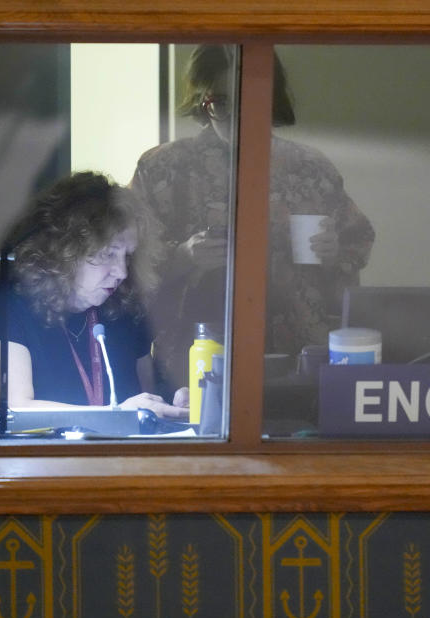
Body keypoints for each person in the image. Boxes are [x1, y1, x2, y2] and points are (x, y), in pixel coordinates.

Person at [129, 44, 375, 393]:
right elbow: (124, 264)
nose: (240, 115)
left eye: (252, 99)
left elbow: (356, 240)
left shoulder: (310, 169)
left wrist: (334, 251)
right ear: (203, 102)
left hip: (301, 356)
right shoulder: (162, 169)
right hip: (194, 361)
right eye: (223, 102)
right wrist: (182, 256)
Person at [0, 171, 189, 421]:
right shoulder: (8, 307)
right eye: (108, 254)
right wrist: (115, 416)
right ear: (66, 250)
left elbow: (148, 400)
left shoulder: (125, 311)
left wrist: (176, 404)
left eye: (127, 256)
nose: (122, 271)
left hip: (121, 460)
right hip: (39, 460)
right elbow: (13, 412)